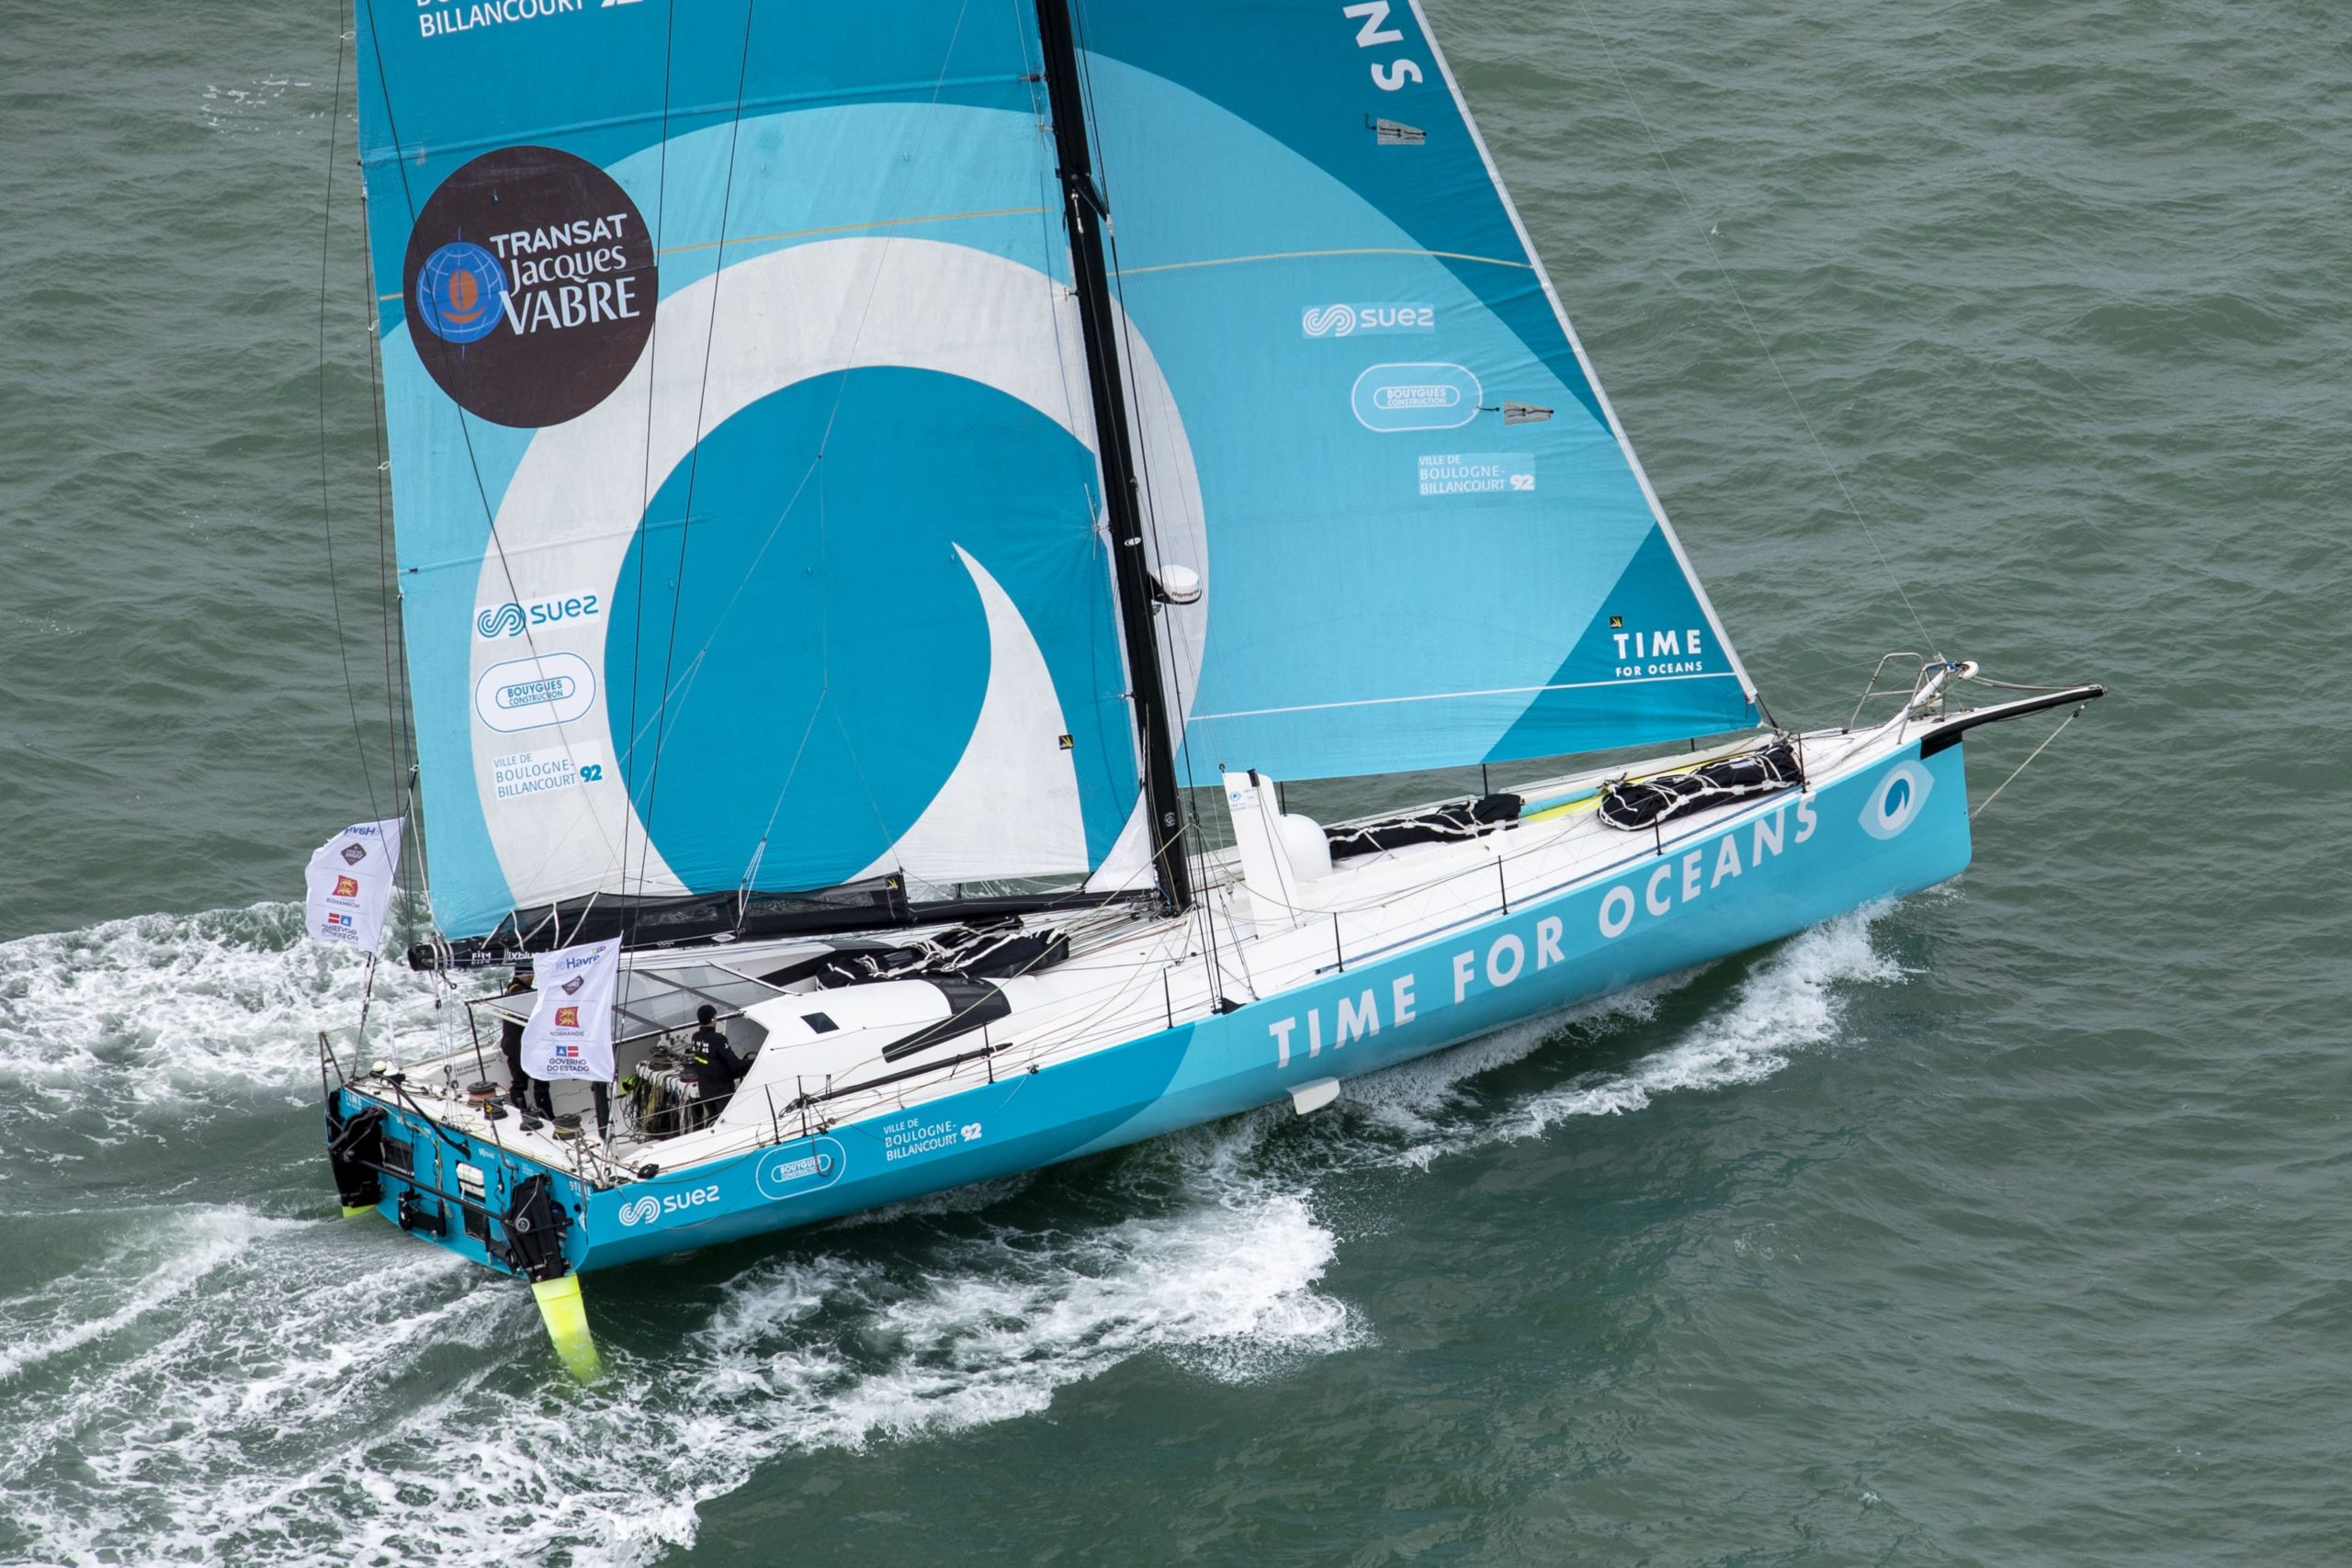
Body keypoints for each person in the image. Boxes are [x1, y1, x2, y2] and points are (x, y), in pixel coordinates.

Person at [497, 974, 553, 1123]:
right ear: (521, 975)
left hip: (510, 1043)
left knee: (519, 1083)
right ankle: (547, 1117)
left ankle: (522, 1115)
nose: (533, 976)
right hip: (522, 1045)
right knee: (541, 1081)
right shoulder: (523, 993)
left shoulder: (511, 991)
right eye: (530, 973)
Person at [685, 1004, 746, 1129]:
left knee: (712, 1121)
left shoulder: (695, 1037)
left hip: (705, 1092)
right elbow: (735, 1065)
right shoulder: (718, 1039)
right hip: (721, 1092)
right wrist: (755, 1061)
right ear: (713, 1019)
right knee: (727, 1123)